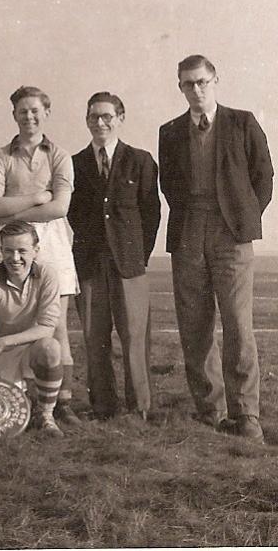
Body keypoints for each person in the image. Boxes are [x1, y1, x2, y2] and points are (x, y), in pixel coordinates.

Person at [158, 55, 273, 441]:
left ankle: (246, 414)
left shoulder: (241, 122)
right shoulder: (170, 131)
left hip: (232, 235)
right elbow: (170, 186)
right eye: (188, 84)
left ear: (215, 80)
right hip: (189, 231)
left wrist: (242, 216)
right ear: (180, 87)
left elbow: (263, 175)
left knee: (239, 324)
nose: (196, 90)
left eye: (202, 82)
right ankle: (210, 409)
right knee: (195, 326)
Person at [0, 85, 80, 425]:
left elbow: (60, 207)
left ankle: (60, 403)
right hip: (7, 242)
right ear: (14, 115)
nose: (29, 116)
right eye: (22, 111)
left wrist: (12, 214)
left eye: (35, 110)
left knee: (57, 327)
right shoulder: (0, 156)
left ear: (46, 113)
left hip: (50, 242)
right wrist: (38, 197)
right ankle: (2, 394)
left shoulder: (60, 155)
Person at [68, 92, 161, 421]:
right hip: (91, 263)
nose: (100, 123)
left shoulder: (141, 160)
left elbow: (151, 214)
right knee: (95, 339)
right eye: (94, 116)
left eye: (107, 116)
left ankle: (141, 408)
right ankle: (103, 407)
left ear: (120, 118)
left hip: (129, 265)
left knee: (135, 337)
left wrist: (138, 256)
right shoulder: (75, 163)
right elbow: (73, 215)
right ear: (87, 120)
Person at [0, 221, 65, 437]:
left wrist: (5, 341)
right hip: (0, 355)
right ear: (1, 250)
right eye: (8, 251)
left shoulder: (48, 275)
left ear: (36, 251)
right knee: (3, 420)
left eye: (22, 251)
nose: (15, 258)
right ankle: (20, 398)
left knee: (51, 348)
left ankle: (46, 414)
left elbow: (46, 328)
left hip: (28, 347)